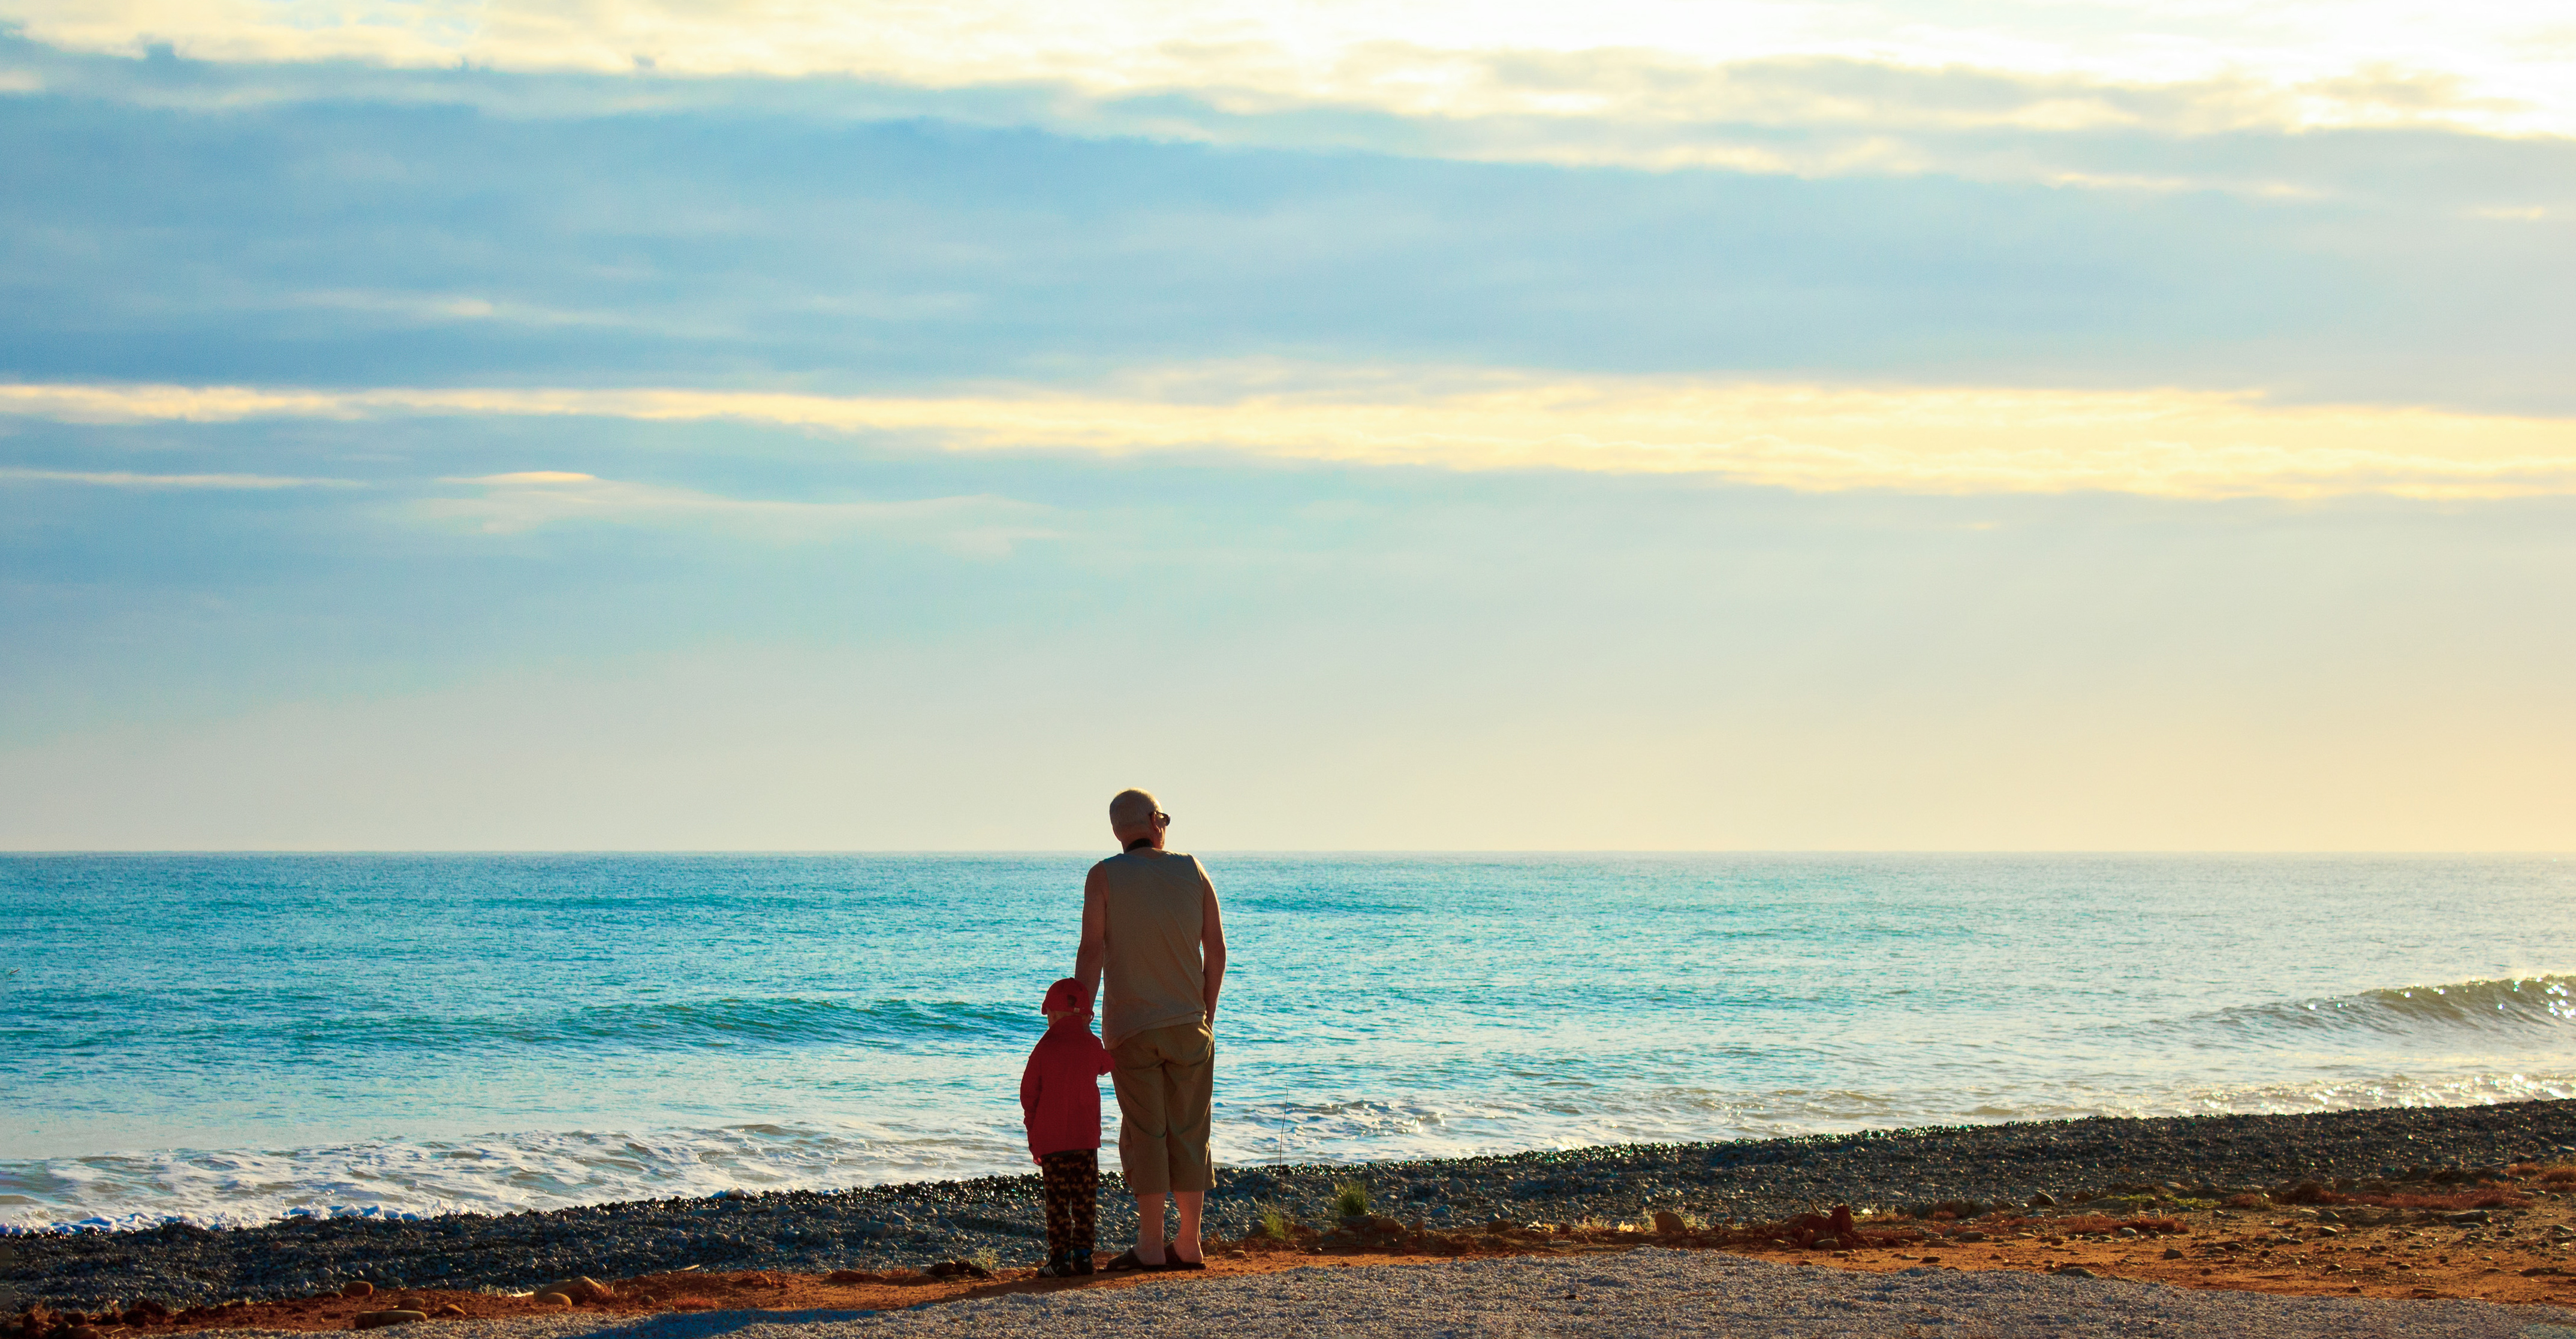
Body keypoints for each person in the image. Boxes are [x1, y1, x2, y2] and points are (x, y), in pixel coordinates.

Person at [1076, 789, 1227, 1271]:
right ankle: (1188, 1242)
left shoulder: (1102, 876)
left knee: (1145, 1133)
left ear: (1119, 830)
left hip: (1132, 1028)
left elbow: (1092, 953)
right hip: (1188, 1024)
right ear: (1153, 822)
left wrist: (1081, 1020)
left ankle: (1148, 1243)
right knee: (1189, 1131)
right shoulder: (1192, 868)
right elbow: (1216, 949)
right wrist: (1207, 1011)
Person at [1020, 976, 1112, 1277]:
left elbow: (1028, 1094)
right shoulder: (1091, 1043)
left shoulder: (1044, 1048)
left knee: (1058, 1204)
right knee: (1085, 1200)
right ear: (1086, 1016)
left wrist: (1033, 1136)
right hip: (1086, 1141)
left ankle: (1059, 1260)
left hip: (1053, 1143)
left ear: (1053, 1015)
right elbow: (1106, 1065)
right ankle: (1084, 1257)